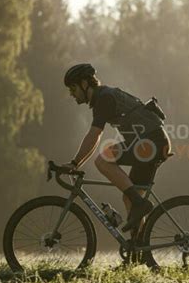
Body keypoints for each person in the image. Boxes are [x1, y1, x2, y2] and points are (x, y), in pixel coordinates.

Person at [61, 63, 171, 234]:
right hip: (154, 142)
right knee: (129, 198)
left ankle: (141, 204)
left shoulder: (104, 98)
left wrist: (75, 163)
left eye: (73, 88)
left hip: (151, 143)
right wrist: (76, 164)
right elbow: (95, 138)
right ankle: (139, 250)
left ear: (84, 84)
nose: (71, 94)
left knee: (103, 160)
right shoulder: (103, 96)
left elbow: (95, 135)